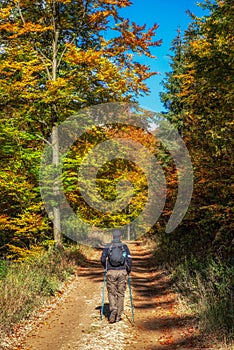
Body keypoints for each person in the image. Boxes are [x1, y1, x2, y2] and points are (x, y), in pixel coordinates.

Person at [101, 229, 132, 323]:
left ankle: (113, 308)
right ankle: (118, 315)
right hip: (122, 272)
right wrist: (128, 270)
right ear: (120, 237)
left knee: (111, 292)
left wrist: (106, 268)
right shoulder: (124, 246)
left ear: (113, 237)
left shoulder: (108, 246)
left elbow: (102, 259)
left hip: (111, 272)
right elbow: (129, 259)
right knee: (121, 293)